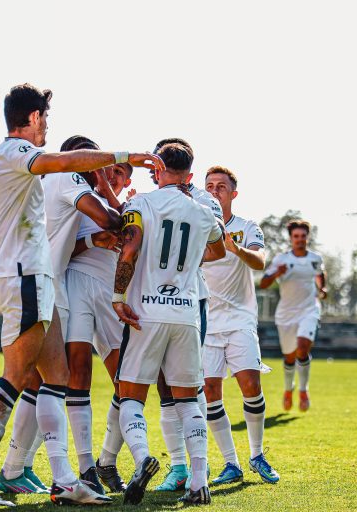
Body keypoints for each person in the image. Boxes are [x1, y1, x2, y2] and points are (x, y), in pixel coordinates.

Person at [0, 83, 163, 507]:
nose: (47, 125)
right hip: (24, 275)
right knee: (16, 375)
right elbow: (66, 161)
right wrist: (122, 158)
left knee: (57, 378)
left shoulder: (21, 162)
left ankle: (65, 479)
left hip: (39, 276)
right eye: (44, 117)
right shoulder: (14, 152)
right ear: (32, 118)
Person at [0, 135, 122, 496]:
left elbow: (69, 236)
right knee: (41, 379)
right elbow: (111, 220)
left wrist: (93, 241)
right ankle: (59, 477)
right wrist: (103, 188)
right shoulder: (70, 179)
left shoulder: (44, 181)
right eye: (94, 164)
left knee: (37, 380)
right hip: (47, 283)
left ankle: (16, 468)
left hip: (37, 278)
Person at [113, 143, 226, 506]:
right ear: (190, 176)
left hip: (146, 312)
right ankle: (198, 480)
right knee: (189, 400)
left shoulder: (141, 203)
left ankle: (144, 456)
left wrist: (118, 297)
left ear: (157, 168)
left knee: (130, 394)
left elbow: (128, 250)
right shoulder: (204, 213)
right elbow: (218, 249)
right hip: (187, 314)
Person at [201, 166, 280, 484]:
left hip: (239, 320)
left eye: (221, 186)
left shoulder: (247, 227)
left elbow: (260, 262)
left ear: (233, 194)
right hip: (206, 320)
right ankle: (230, 463)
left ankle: (257, 454)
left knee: (250, 385)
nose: (214, 191)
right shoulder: (196, 227)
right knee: (210, 392)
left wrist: (236, 248)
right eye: (209, 186)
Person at [63, 162, 133, 494]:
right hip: (76, 284)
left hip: (112, 295)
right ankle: (85, 466)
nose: (112, 176)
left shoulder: (131, 208)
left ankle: (107, 460)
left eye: (119, 172)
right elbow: (61, 248)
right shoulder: (80, 200)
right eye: (107, 170)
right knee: (79, 373)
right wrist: (95, 239)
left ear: (128, 180)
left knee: (126, 383)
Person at [259, 219, 327, 412]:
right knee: (289, 357)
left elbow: (320, 273)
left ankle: (304, 391)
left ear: (307, 237)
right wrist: (275, 274)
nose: (299, 239)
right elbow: (263, 283)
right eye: (296, 236)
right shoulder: (281, 260)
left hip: (309, 309)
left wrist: (322, 288)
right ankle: (289, 389)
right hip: (286, 314)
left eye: (303, 236)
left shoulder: (315, 258)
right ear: (291, 238)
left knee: (303, 348)